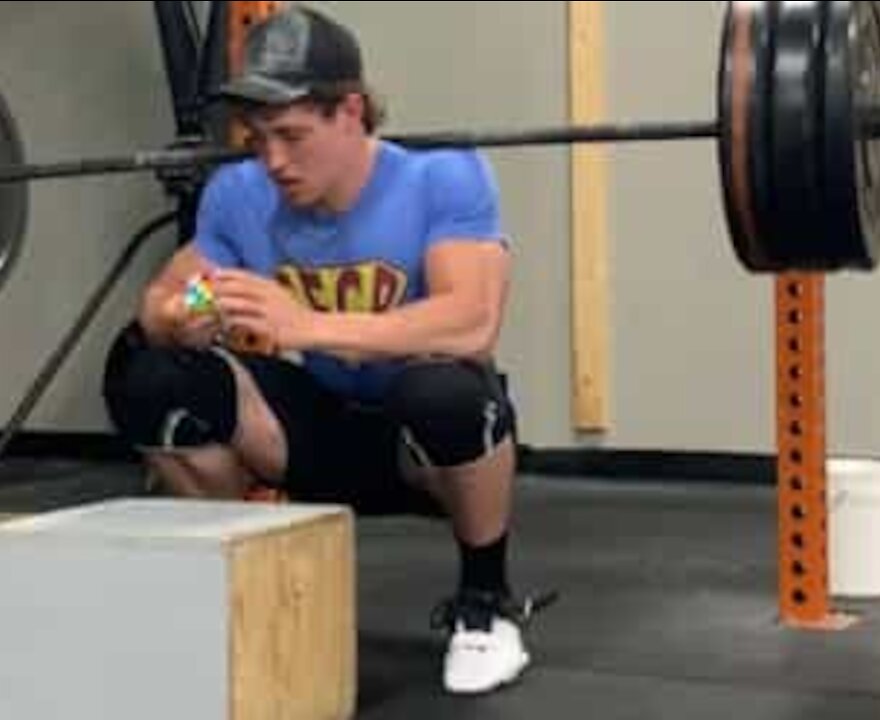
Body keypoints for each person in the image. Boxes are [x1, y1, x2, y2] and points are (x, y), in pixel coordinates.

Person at [100, 2, 551, 696]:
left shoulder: (442, 176)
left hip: (422, 449)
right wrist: (184, 316)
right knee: (151, 375)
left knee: (446, 391)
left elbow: (471, 321)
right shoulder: (239, 195)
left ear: (352, 110)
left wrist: (306, 327)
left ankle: (486, 606)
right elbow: (168, 296)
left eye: (291, 135)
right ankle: (239, 584)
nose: (272, 159)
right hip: (307, 431)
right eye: (257, 138)